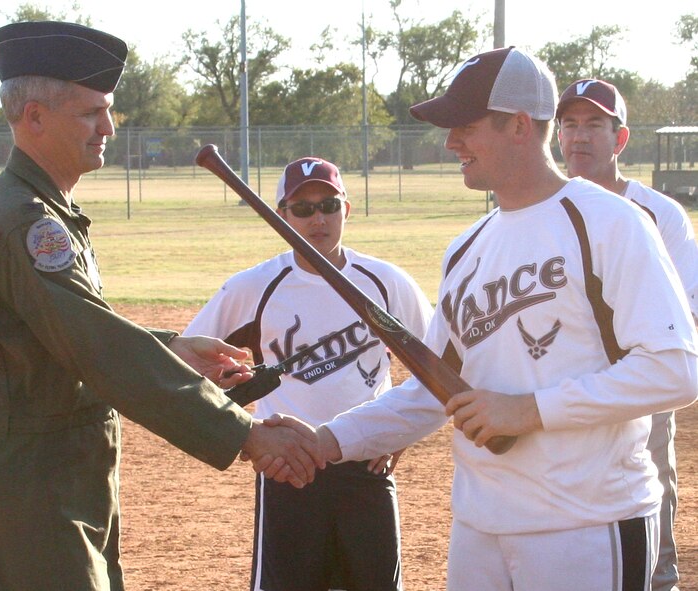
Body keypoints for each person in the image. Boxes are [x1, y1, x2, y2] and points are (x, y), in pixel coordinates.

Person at [263, 47, 698, 589]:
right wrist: (327, 440)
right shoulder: (466, 249)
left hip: (585, 523)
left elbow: (675, 370)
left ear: (519, 125)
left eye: (465, 126)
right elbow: (431, 391)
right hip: (479, 527)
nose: (451, 143)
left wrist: (530, 411)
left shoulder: (610, 223)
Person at [0, 21, 322, 590]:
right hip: (36, 493)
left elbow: (71, 334)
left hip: (60, 480)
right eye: (90, 112)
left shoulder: (44, 210)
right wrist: (242, 432)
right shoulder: (27, 224)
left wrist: (172, 347)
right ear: (33, 117)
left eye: (108, 110)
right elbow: (98, 350)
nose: (108, 126)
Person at [183, 156, 434, 591]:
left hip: (366, 465)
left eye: (329, 205)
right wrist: (241, 424)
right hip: (289, 466)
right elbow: (185, 361)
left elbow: (435, 368)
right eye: (302, 209)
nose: (318, 218)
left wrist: (400, 433)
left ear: (347, 211)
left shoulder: (385, 283)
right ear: (281, 217)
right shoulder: (255, 287)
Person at [556, 78, 698, 591]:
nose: (580, 136)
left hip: (639, 387)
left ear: (620, 139)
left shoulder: (660, 214)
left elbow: (686, 311)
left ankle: (659, 581)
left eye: (595, 124)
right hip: (561, 384)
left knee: (650, 489)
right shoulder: (543, 210)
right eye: (569, 124)